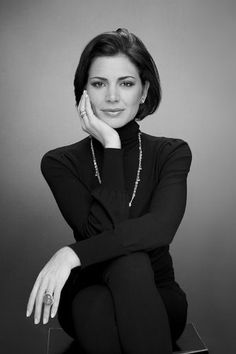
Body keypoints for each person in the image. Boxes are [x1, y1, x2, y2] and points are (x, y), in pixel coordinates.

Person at [26, 28, 192, 354]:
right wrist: (112, 145)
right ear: (83, 92)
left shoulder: (172, 152)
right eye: (99, 84)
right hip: (89, 289)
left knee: (131, 265)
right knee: (103, 292)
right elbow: (99, 232)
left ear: (144, 91)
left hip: (157, 295)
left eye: (126, 84)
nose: (112, 97)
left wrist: (72, 254)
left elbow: (160, 228)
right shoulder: (60, 162)